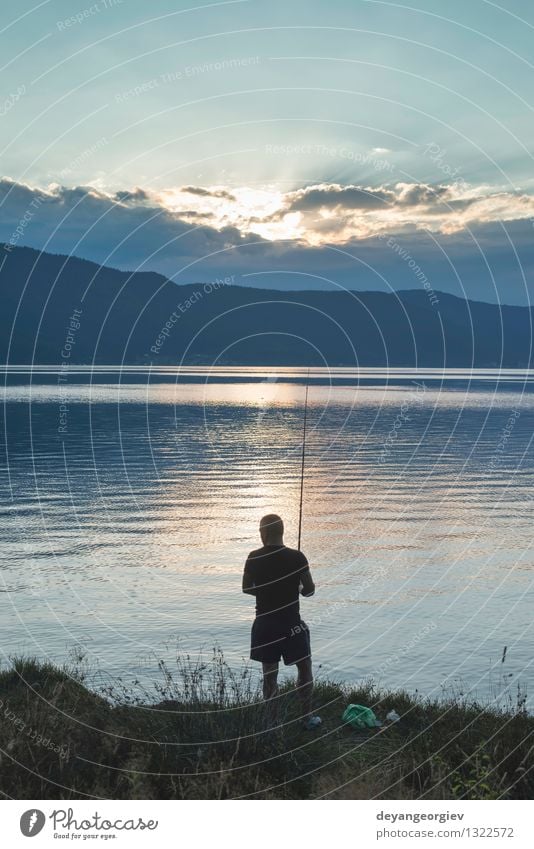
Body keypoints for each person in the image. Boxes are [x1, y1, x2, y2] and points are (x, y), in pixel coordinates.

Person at [242, 513, 321, 730]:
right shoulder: (298, 557)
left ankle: (272, 722)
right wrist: (296, 589)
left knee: (270, 674)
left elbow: (246, 588)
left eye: (260, 531)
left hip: (264, 625)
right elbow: (310, 590)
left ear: (264, 532)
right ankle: (307, 718)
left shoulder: (253, 556)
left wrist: (267, 590)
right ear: (282, 532)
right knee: (304, 668)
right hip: (291, 624)